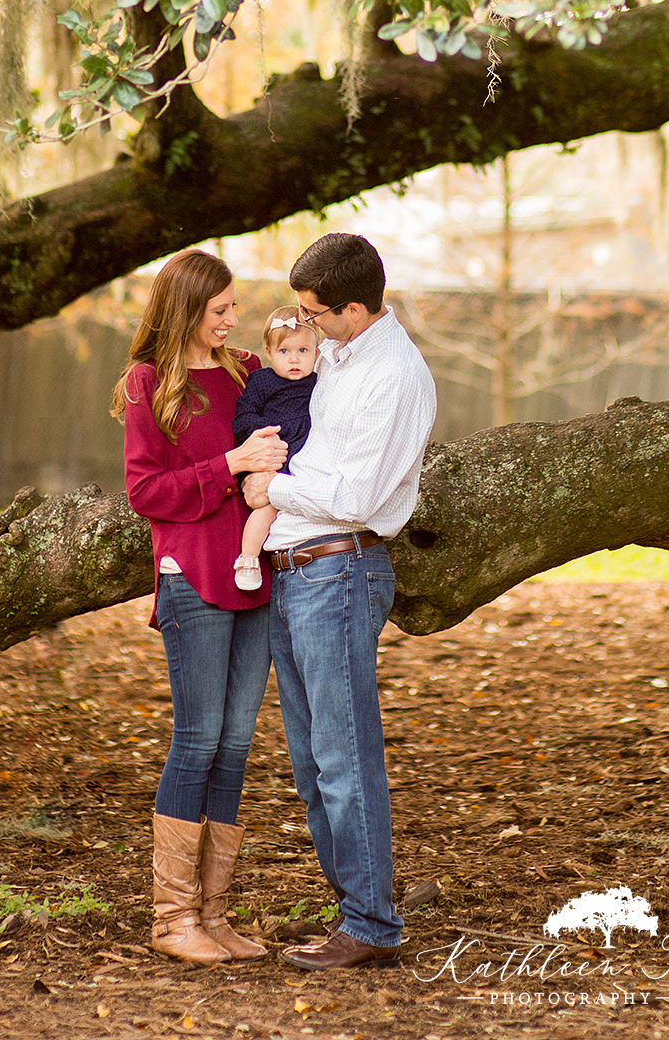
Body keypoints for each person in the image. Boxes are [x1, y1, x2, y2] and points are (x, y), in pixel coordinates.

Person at [242, 233, 436, 973]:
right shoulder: (340, 358)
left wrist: (272, 489)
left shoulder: (393, 376)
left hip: (339, 572)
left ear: (355, 308)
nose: (305, 324)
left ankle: (372, 927)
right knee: (310, 760)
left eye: (315, 313)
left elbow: (357, 498)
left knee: (344, 756)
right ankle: (358, 907)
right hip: (294, 571)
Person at [117, 249, 287, 966]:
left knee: (238, 744)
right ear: (186, 310)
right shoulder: (148, 384)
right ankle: (171, 919)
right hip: (193, 574)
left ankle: (212, 917)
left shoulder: (250, 368)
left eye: (233, 307)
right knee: (199, 738)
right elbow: (146, 492)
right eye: (218, 309)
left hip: (255, 575)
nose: (231, 319)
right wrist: (231, 466)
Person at [230, 308, 319, 590]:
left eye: (303, 350)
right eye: (284, 351)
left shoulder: (318, 384)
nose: (294, 359)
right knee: (268, 508)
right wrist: (264, 433)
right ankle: (247, 559)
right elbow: (243, 417)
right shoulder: (263, 381)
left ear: (317, 352)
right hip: (271, 457)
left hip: (303, 461)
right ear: (268, 351)